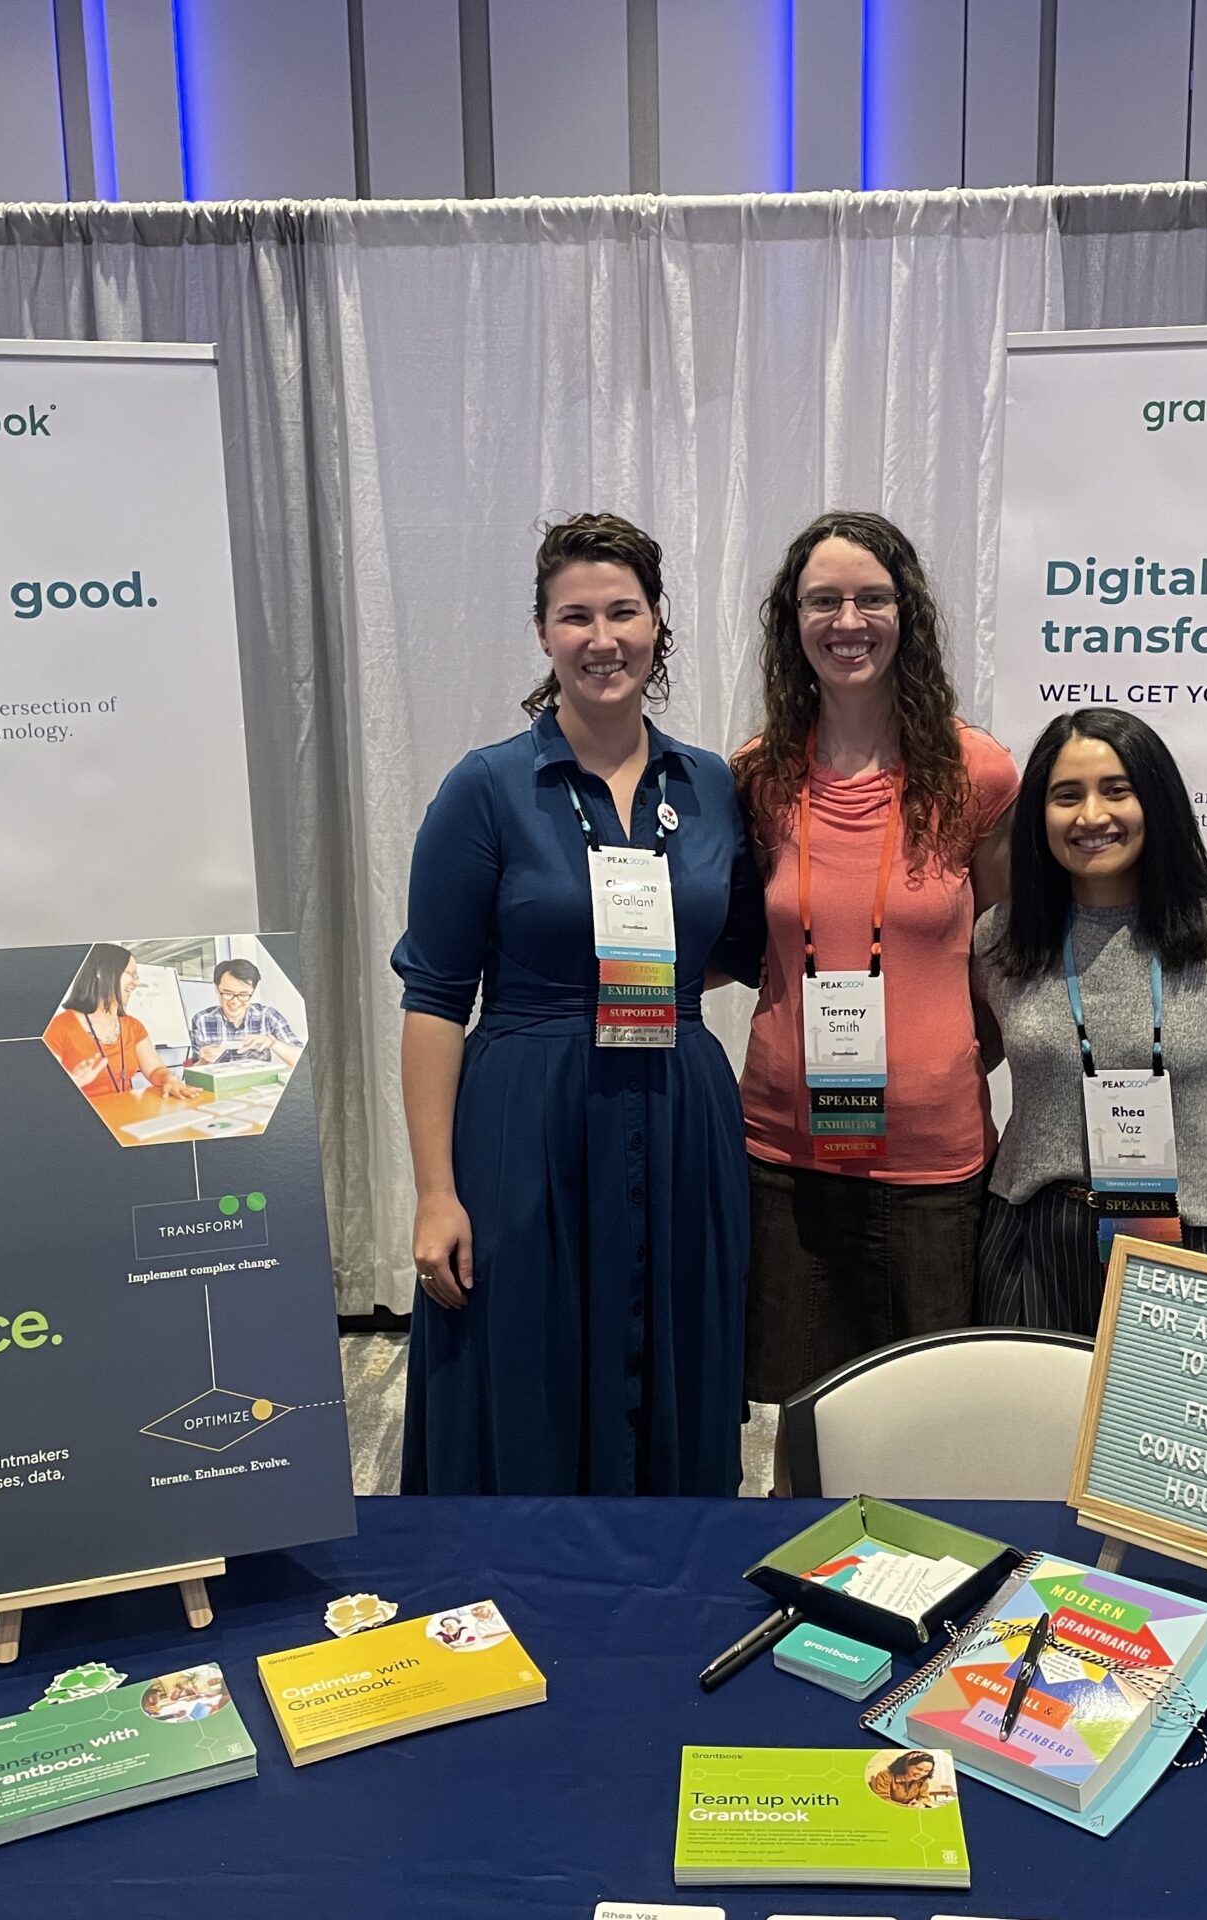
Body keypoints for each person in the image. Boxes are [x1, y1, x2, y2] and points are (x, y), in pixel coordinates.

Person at [392, 512, 764, 1495]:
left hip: (679, 1103)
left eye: (623, 612)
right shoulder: (486, 790)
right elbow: (433, 997)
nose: (602, 639)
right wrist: (435, 1192)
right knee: (523, 1357)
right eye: (575, 617)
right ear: (545, 635)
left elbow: (731, 949)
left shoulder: (714, 785)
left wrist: (651, 989)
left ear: (657, 627)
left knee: (675, 1342)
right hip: (525, 1110)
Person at [734, 510, 1017, 1406]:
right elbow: (733, 938)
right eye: (823, 600)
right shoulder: (755, 775)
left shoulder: (978, 772)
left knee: (928, 1421)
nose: (846, 621)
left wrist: (947, 1062)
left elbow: (1008, 958)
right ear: (793, 621)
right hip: (784, 1155)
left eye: (871, 598)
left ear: (908, 614)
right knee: (800, 1418)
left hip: (934, 1165)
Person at [973, 708, 1207, 1333]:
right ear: (1038, 817)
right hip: (1032, 1241)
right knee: (1033, 1430)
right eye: (1065, 796)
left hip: (1193, 1243)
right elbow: (966, 1056)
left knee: (1163, 1431)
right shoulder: (1002, 939)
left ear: (1155, 802)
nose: (1091, 817)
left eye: (1117, 790)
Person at [42, 943, 207, 1104]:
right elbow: (42, 1091)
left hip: (126, 1117)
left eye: (137, 977)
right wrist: (71, 1084)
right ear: (101, 973)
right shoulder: (60, 1027)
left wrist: (169, 1079)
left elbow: (155, 1070)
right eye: (131, 974)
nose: (136, 983)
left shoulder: (133, 1026)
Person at [188, 957, 302, 1067]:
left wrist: (272, 1043)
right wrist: (203, 1061)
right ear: (217, 989)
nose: (235, 1002)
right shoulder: (201, 1020)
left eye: (243, 995)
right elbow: (193, 1068)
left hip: (259, 1084)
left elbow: (301, 1060)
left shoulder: (268, 1016)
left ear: (253, 992)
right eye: (227, 993)